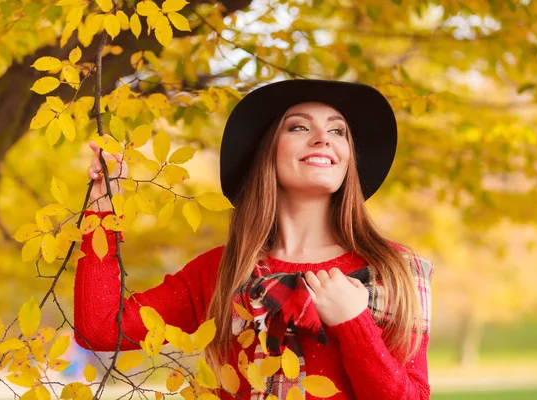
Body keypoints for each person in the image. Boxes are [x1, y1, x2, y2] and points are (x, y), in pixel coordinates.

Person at [74, 79, 434, 399]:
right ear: (268, 152)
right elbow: (100, 329)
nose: (324, 138)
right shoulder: (223, 272)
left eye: (338, 131)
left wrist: (353, 323)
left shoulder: (392, 270)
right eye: (298, 127)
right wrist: (102, 209)